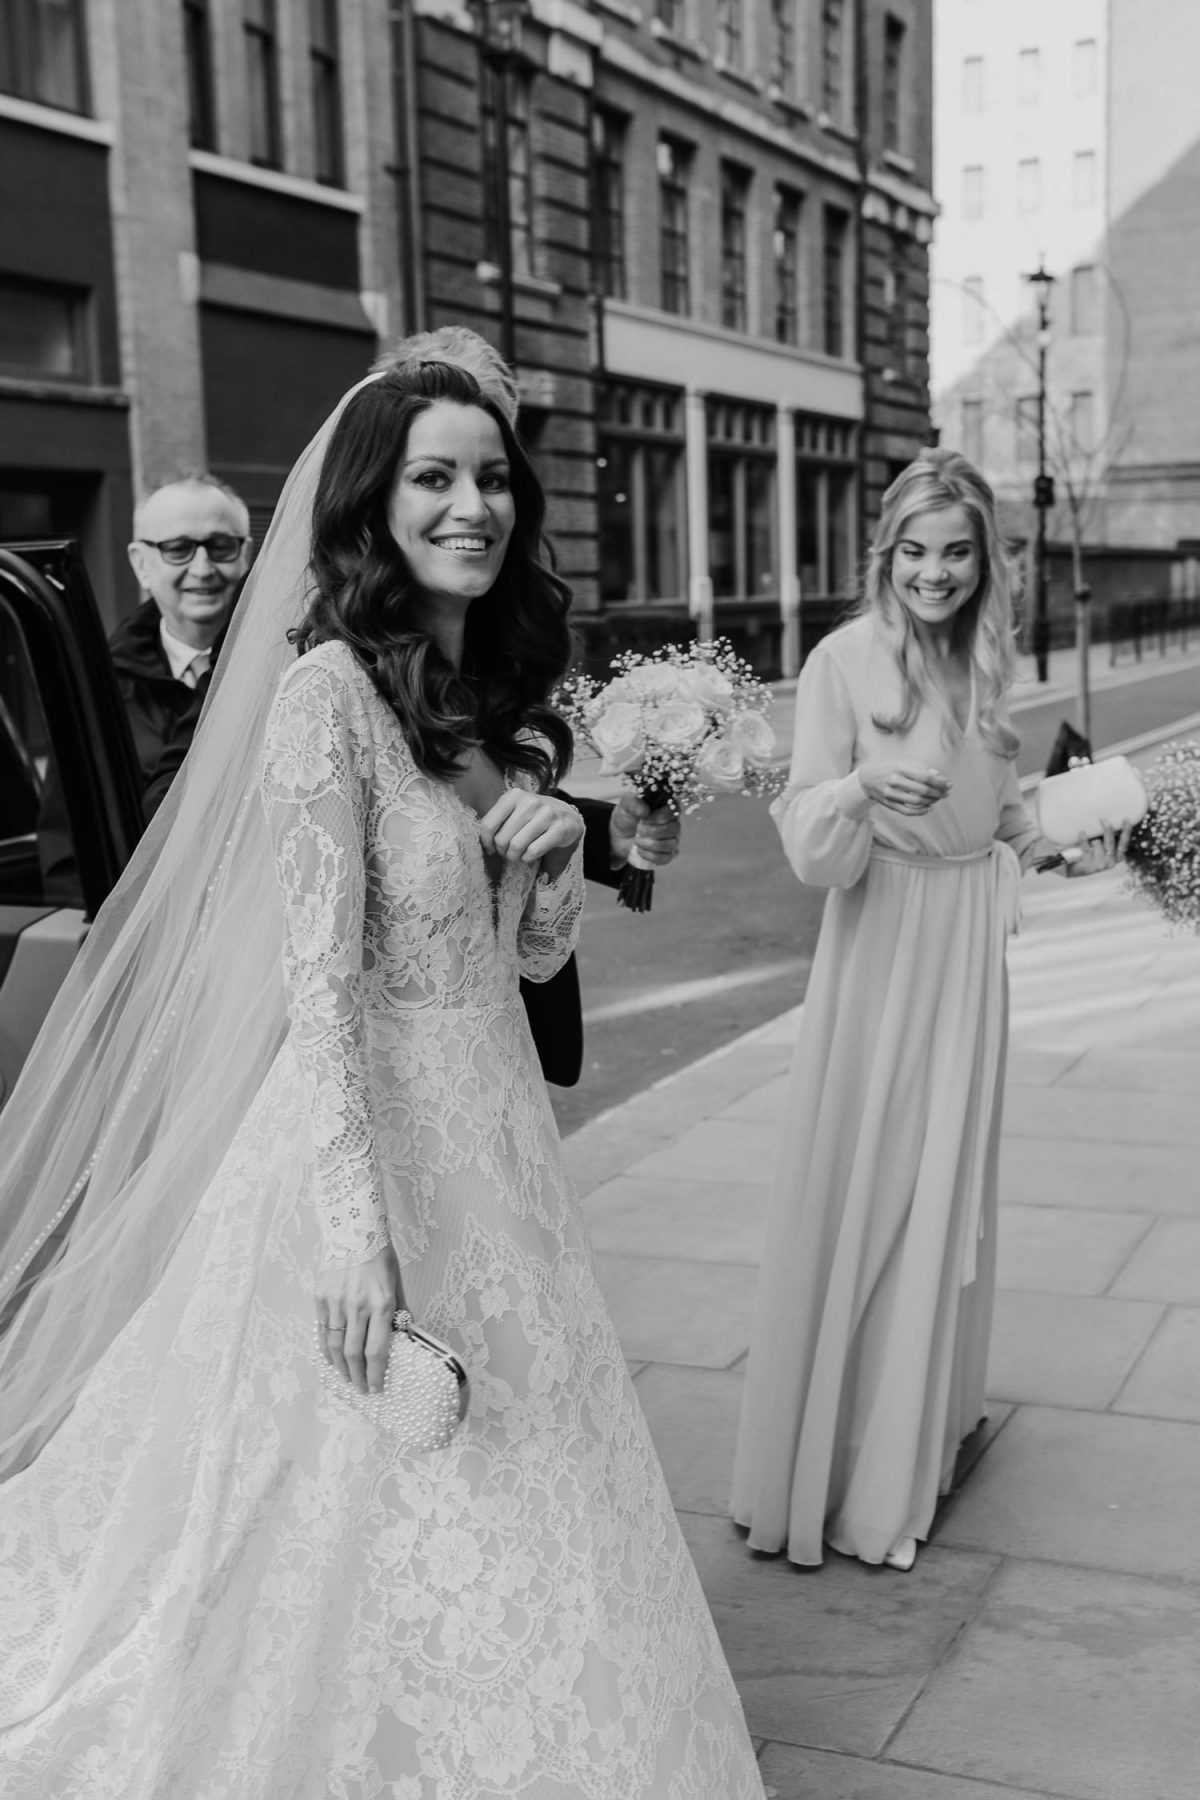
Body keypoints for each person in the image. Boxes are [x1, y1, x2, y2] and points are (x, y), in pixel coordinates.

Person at [0, 361, 764, 1798]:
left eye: (489, 477)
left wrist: (545, 869)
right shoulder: (322, 698)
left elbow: (521, 968)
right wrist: (353, 1230)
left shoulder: (492, 696)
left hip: (500, 1143)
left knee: (522, 1443)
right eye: (433, 477)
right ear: (374, 503)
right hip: (368, 1149)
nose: (470, 504)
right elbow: (317, 984)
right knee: (354, 1475)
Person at [731, 449, 1127, 1573]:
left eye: (956, 552)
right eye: (914, 551)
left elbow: (1004, 824)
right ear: (886, 554)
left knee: (944, 1194)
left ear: (985, 559)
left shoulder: (989, 667)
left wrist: (1079, 839)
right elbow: (810, 842)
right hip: (882, 946)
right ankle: (834, 1465)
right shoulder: (841, 662)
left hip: (968, 954)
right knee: (874, 1184)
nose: (935, 573)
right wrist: (859, 790)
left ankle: (913, 1441)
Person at [377, 325, 681, 1086]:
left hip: (510, 1028)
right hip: (401, 1056)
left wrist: (603, 832)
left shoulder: (500, 618)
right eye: (436, 472)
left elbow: (493, 790)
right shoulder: (339, 663)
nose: (474, 503)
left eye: (497, 463)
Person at [117, 471, 252, 816]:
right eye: (178, 549)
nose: (202, 568)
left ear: (246, 554)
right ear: (140, 563)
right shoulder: (101, 685)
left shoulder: (292, 668)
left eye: (220, 546)